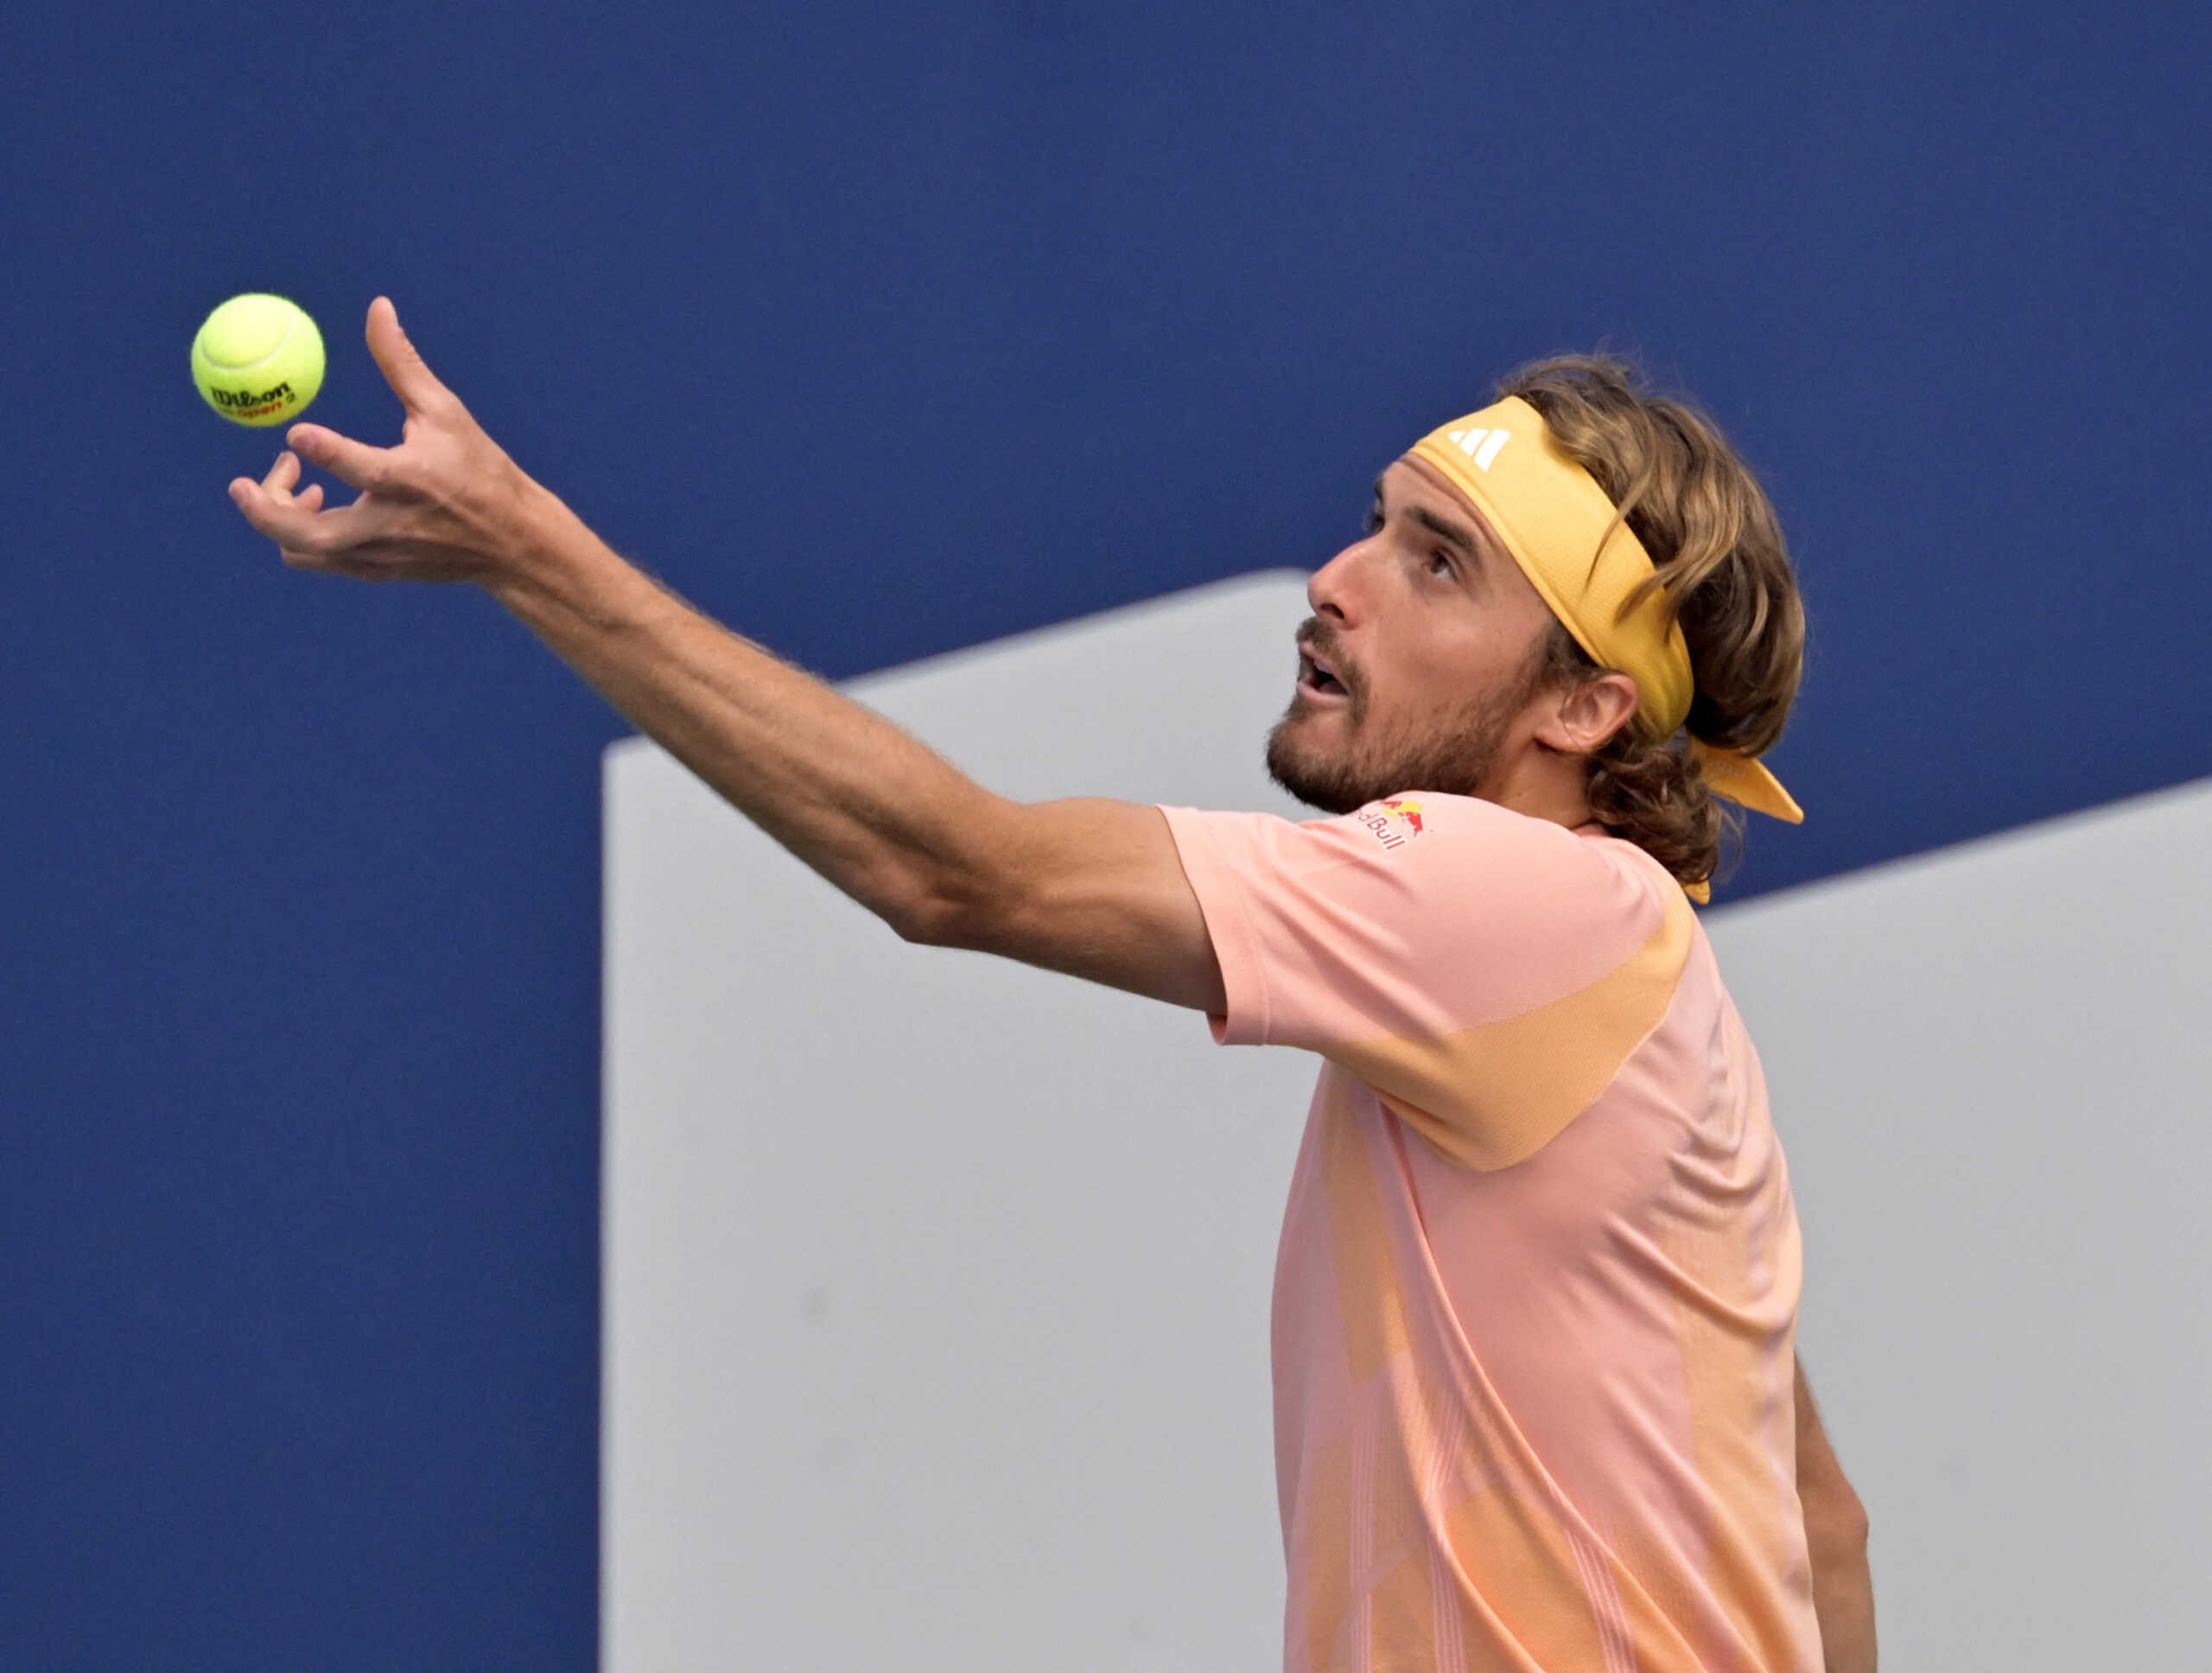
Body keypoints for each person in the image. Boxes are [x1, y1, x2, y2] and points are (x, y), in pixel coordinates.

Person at [229, 297, 1876, 1673]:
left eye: (1437, 563)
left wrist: (525, 548)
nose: (1338, 577)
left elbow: (954, 871)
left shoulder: (1522, 900)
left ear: (1579, 712)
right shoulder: (1630, 1002)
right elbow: (1821, 1525)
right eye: (1377, 520)